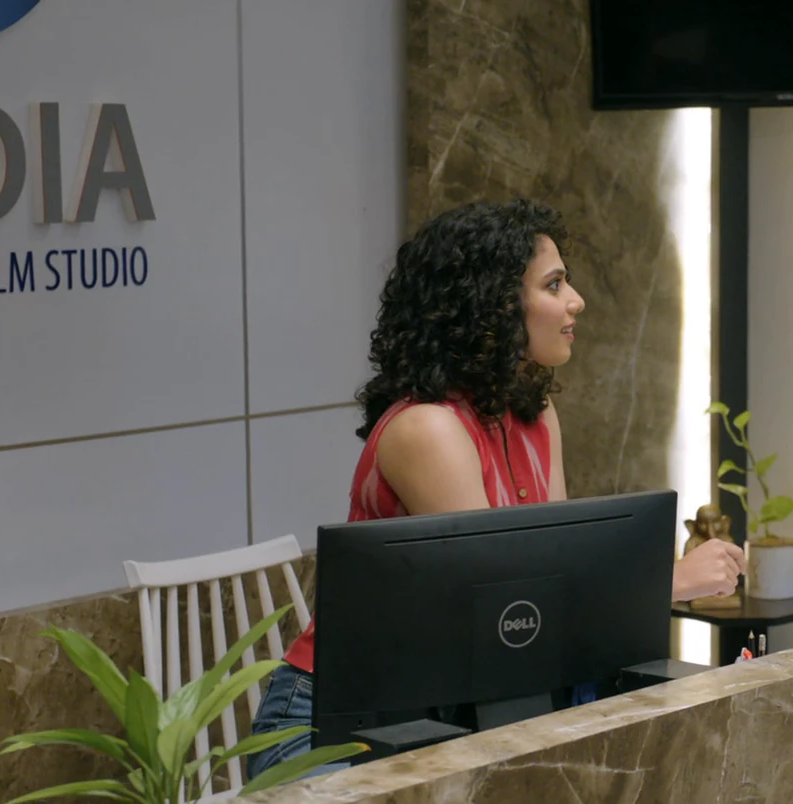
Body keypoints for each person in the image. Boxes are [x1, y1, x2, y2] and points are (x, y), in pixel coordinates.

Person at [246, 198, 747, 779]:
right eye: (554, 284)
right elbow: (510, 616)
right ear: (494, 305)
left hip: (439, 715)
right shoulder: (428, 429)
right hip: (330, 726)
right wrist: (668, 582)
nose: (576, 300)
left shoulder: (536, 415)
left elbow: (552, 575)